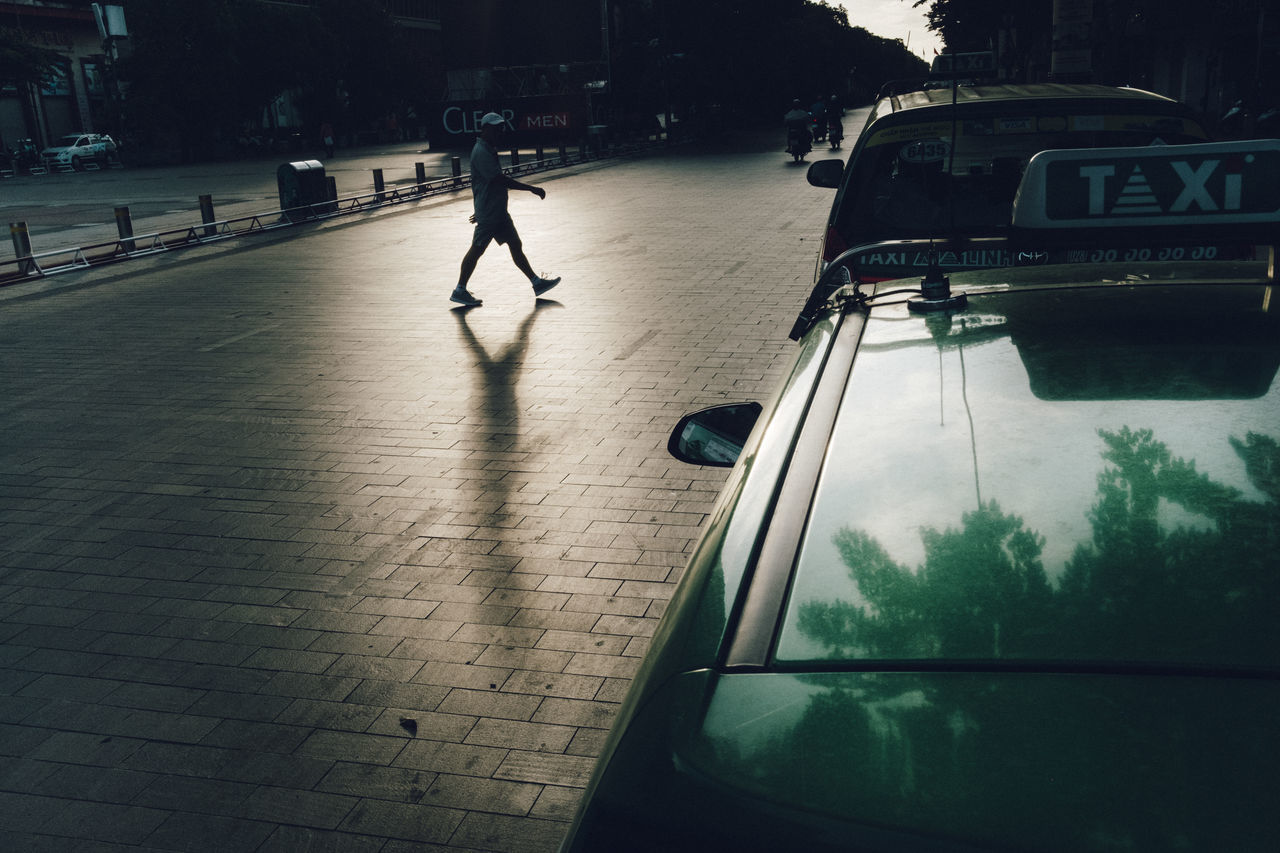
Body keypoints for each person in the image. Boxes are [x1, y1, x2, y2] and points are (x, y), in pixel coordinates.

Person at [451, 112, 560, 307]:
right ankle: (460, 289)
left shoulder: (487, 149)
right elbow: (498, 180)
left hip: (496, 211)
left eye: (500, 129)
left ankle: (536, 283)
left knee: (515, 244)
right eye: (495, 129)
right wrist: (531, 188)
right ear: (485, 129)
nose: (499, 132)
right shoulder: (481, 152)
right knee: (477, 250)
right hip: (491, 214)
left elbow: (485, 185)